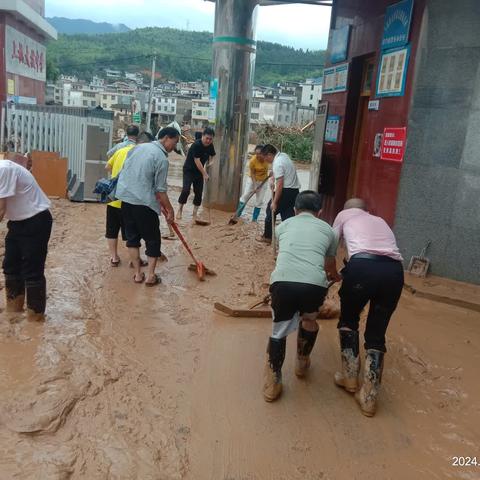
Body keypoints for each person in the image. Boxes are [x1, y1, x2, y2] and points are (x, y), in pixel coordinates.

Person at [263, 191, 339, 402]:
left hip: (282, 282)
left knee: (278, 331)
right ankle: (302, 363)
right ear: (320, 212)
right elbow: (329, 265)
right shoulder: (330, 231)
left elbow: (283, 256)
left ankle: (273, 382)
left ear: (295, 210)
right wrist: (336, 276)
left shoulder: (282, 227)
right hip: (314, 285)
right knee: (309, 319)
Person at [331, 198, 404, 417]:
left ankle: (350, 378)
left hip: (362, 267)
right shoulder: (379, 220)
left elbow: (331, 245)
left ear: (348, 209)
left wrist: (334, 273)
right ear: (367, 211)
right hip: (394, 272)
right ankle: (369, 397)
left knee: (348, 321)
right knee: (376, 334)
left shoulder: (344, 215)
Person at [115, 127, 178, 286]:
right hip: (144, 204)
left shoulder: (138, 148)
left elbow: (126, 171)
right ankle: (150, 276)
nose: (174, 147)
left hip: (126, 201)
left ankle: (137, 275)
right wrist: (170, 210)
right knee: (153, 240)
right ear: (166, 138)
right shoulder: (161, 158)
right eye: (175, 142)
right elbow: (161, 190)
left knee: (133, 239)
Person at [0, 160, 53, 321]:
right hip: (16, 222)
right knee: (10, 265)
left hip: (35, 220)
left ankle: (35, 320)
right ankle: (13, 311)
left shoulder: (4, 170)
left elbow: (0, 210)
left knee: (32, 270)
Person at [104, 131, 154, 266]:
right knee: (132, 233)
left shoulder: (120, 150)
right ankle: (134, 260)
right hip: (130, 200)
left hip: (113, 197)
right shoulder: (141, 154)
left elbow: (107, 166)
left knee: (111, 229)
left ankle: (114, 258)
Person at [256, 144, 301, 243]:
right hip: (294, 192)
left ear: (269, 155)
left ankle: (267, 237)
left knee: (270, 209)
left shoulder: (277, 163)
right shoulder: (283, 156)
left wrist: (275, 202)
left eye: (265, 158)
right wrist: (272, 177)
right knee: (287, 215)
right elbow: (277, 172)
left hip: (285, 191)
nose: (266, 161)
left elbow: (280, 184)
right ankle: (290, 239)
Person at [177, 127, 215, 221]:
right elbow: (197, 161)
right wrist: (205, 174)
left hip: (199, 172)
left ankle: (194, 214)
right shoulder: (196, 145)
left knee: (198, 193)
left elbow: (213, 155)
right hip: (189, 170)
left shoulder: (210, 145)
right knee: (186, 190)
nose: (208, 141)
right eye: (207, 138)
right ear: (202, 136)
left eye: (210, 139)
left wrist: (210, 162)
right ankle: (180, 209)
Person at [235, 145, 269, 222]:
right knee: (245, 196)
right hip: (252, 179)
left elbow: (273, 168)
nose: (257, 156)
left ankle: (254, 219)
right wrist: (254, 186)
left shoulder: (267, 159)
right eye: (256, 154)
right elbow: (252, 173)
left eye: (259, 154)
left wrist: (272, 175)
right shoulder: (253, 161)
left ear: (263, 153)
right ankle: (237, 215)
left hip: (263, 181)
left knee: (259, 200)